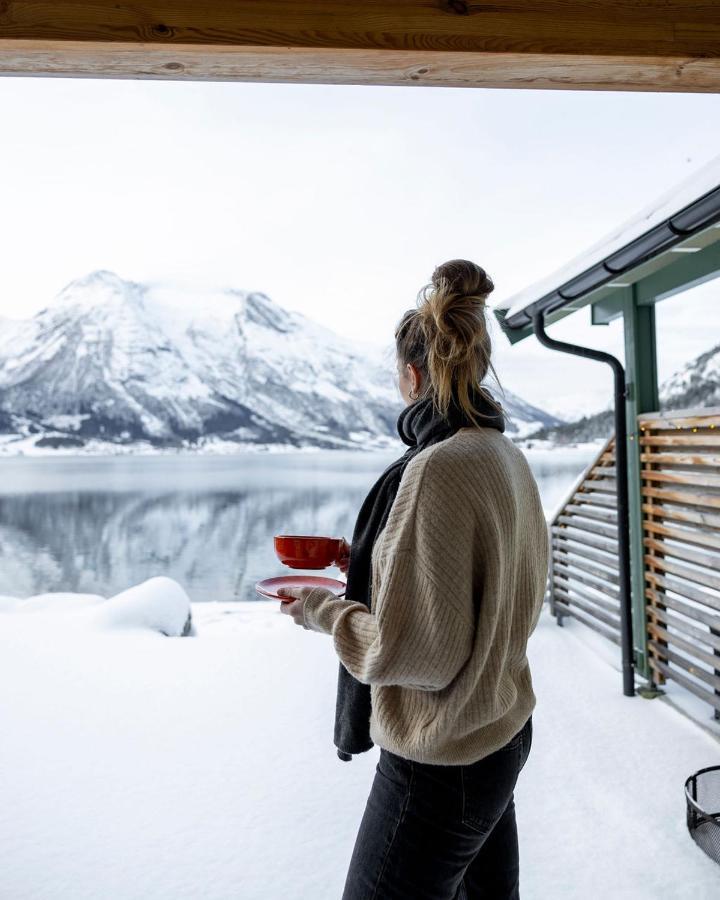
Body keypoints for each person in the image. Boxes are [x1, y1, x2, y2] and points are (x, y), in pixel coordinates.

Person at [278, 259, 549, 900]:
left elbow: (414, 651)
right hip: (498, 732)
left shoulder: (438, 468)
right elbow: (498, 585)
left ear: (412, 375)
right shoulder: (503, 455)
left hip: (441, 757)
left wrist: (323, 609)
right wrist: (374, 564)